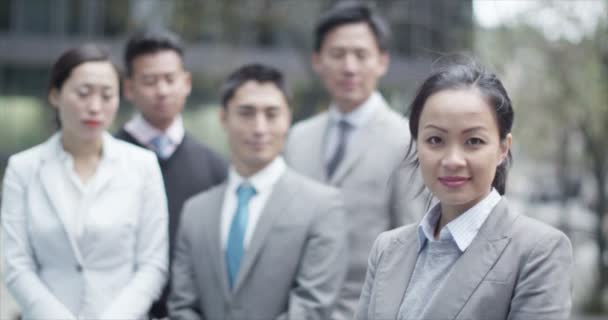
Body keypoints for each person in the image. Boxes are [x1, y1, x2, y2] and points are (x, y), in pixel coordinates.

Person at [355, 61, 573, 320]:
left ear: (503, 148)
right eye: (435, 140)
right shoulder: (387, 249)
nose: (452, 160)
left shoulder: (538, 251)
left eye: (473, 141)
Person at [168, 64, 348, 320]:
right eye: (246, 113)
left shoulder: (322, 206)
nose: (259, 128)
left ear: (288, 119)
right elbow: (182, 305)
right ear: (223, 118)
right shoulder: (195, 211)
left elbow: (312, 307)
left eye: (272, 114)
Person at [1, 44, 168, 319]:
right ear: (55, 94)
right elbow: (17, 265)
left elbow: (153, 264)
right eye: (83, 93)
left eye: (107, 95)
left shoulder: (143, 166)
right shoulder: (24, 168)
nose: (95, 107)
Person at [284, 2, 419, 318]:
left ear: (382, 61)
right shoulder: (297, 138)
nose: (349, 66)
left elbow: (411, 243)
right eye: (337, 54)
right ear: (317, 61)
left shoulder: (406, 140)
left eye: (360, 54)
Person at [116, 29, 228, 318]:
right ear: (129, 88)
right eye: (149, 81)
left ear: (186, 82)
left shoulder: (215, 167)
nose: (162, 90)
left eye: (170, 79)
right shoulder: (108, 159)